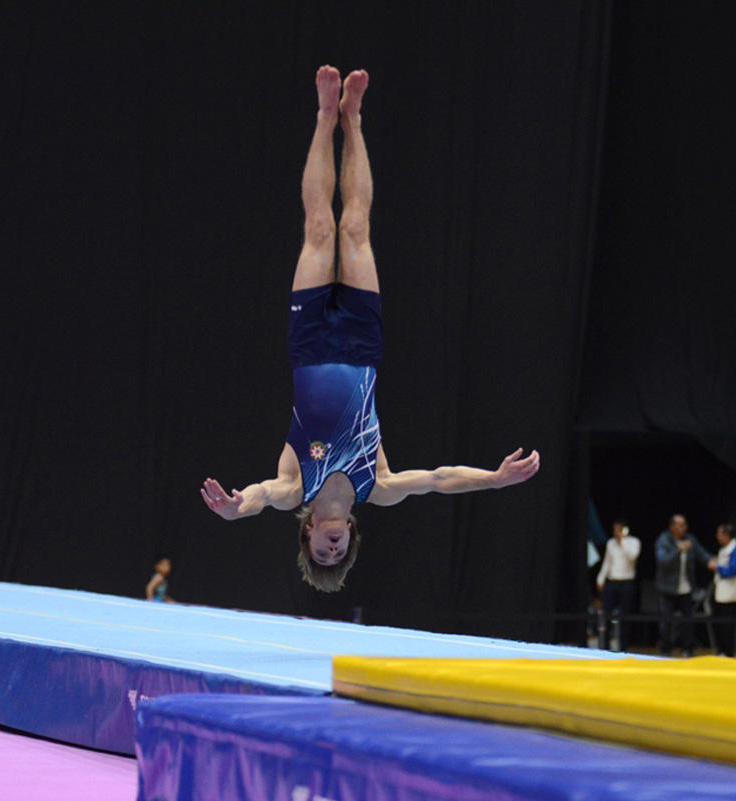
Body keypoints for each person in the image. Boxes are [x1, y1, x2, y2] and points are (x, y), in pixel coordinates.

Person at [199, 67, 540, 592]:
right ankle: (353, 120)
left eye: (321, 552)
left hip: (309, 346)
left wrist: (235, 508)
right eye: (341, 554)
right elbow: (436, 480)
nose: (332, 549)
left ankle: (323, 116)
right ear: (350, 536)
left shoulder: (297, 488)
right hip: (361, 347)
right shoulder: (375, 484)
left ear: (308, 533)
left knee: (318, 228)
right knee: (354, 225)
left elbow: (261, 494)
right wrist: (493, 479)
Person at [654, 514, 712, 656]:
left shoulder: (690, 540)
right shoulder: (664, 540)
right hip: (668, 588)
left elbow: (702, 554)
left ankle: (688, 648)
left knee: (688, 620)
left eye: (685, 525)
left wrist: (711, 561)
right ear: (672, 527)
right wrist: (678, 551)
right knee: (667, 621)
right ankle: (666, 649)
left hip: (686, 587)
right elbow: (662, 561)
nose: (683, 528)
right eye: (680, 525)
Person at [596, 519, 641, 651]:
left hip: (626, 583)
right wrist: (600, 579)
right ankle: (605, 647)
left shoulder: (633, 542)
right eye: (614, 529)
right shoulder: (610, 543)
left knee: (624, 616)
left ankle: (623, 647)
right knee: (607, 614)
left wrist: (622, 541)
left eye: (619, 529)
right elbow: (606, 562)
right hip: (612, 582)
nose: (616, 532)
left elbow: (632, 556)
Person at [707, 523, 736, 656]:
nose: (717, 536)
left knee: (728, 627)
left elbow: (733, 570)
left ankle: (728, 653)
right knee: (720, 626)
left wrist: (716, 567)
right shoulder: (724, 549)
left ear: (726, 535)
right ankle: (721, 650)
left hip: (731, 595)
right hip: (722, 593)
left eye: (719, 534)